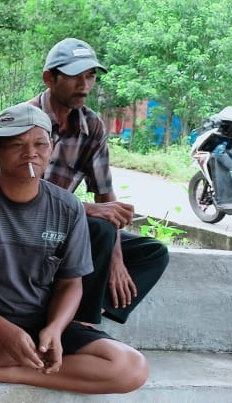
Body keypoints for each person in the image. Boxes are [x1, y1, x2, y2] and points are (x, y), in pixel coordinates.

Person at [0, 102, 149, 394]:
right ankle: (32, 362)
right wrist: (5, 331)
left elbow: (70, 283)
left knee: (131, 367)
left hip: (41, 327)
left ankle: (8, 372)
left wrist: (54, 328)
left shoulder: (68, 208)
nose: (31, 153)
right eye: (17, 145)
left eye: (40, 143)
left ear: (51, 149)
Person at [30, 38, 169, 325]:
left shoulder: (91, 125)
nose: (84, 85)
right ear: (49, 78)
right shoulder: (24, 120)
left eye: (90, 76)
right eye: (74, 76)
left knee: (152, 253)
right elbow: (10, 195)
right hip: (23, 227)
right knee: (99, 228)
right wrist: (88, 210)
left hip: (66, 229)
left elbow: (106, 196)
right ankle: (80, 326)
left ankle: (79, 320)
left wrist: (116, 262)